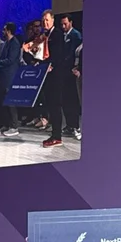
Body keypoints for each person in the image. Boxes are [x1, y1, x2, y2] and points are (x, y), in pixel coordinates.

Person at [40, 10, 69, 149]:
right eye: (43, 20)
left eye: (47, 20)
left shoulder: (56, 34)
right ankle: (54, 134)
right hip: (48, 76)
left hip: (56, 75)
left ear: (52, 20)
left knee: (56, 106)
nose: (45, 22)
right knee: (51, 105)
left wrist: (51, 65)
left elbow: (58, 54)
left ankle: (57, 137)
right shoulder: (45, 35)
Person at [0, 22, 23, 137]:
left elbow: (10, 60)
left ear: (9, 31)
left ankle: (14, 126)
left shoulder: (14, 43)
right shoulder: (6, 43)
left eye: (5, 30)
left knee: (10, 102)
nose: (3, 32)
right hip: (4, 76)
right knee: (4, 101)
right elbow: (3, 58)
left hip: (10, 76)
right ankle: (7, 124)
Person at [60, 15, 82, 140]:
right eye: (62, 24)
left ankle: (75, 126)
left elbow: (73, 54)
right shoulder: (63, 36)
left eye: (66, 24)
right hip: (64, 73)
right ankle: (69, 125)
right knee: (65, 100)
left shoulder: (76, 35)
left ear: (71, 22)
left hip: (72, 72)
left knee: (73, 100)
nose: (64, 26)